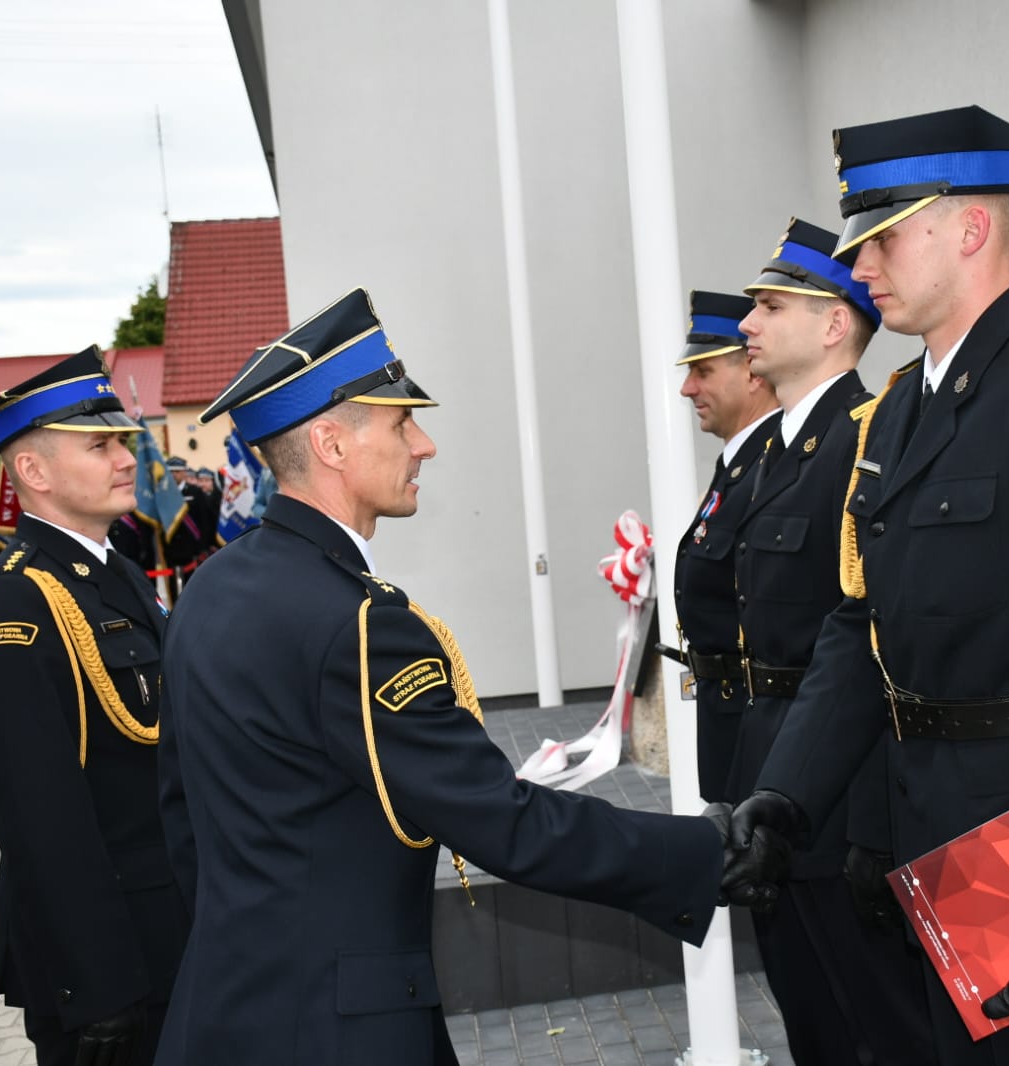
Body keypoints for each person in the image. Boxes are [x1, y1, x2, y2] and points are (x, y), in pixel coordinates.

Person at [722, 105, 1009, 1065]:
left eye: (883, 238)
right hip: (934, 841)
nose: (859, 264)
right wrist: (789, 797)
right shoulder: (899, 412)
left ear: (970, 228)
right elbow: (864, 630)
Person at [154, 287, 729, 1065]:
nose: (423, 445)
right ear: (330, 444)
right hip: (339, 1029)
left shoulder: (212, 587)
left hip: (226, 1005)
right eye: (400, 424)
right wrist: (703, 850)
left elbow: (182, 816)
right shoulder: (360, 624)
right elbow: (501, 820)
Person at [0, 345, 187, 1066]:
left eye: (122, 442)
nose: (125, 458)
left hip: (170, 928)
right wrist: (100, 982)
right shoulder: (14, 603)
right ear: (34, 471)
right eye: (99, 446)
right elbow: (37, 812)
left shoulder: (117, 573)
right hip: (110, 961)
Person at [724, 219, 929, 1065]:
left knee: (876, 1027)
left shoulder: (864, 437)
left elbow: (871, 641)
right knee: (814, 1022)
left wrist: (870, 830)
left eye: (770, 307)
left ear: (834, 324)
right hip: (780, 778)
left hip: (840, 799)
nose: (747, 324)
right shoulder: (778, 448)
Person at [666, 289, 780, 804]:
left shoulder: (773, 464)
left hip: (760, 717)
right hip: (727, 711)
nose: (687, 388)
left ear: (752, 371)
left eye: (703, 371)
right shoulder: (737, 463)